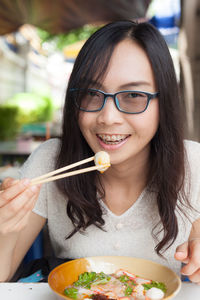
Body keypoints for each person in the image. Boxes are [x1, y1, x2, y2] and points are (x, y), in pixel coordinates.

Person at [0, 20, 200, 283]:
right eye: (91, 94)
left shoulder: (192, 164)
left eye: (133, 95)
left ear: (164, 103)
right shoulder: (50, 162)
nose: (108, 117)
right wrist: (3, 228)